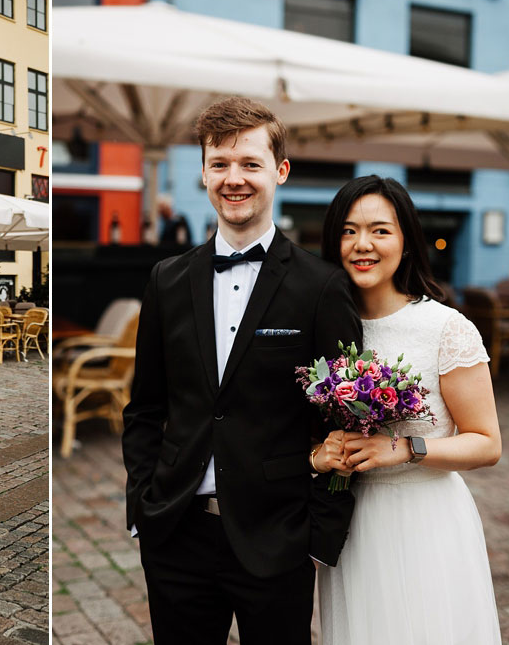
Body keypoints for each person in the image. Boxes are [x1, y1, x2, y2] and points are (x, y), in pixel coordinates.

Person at [122, 96, 362, 645]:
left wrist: (319, 537)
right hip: (176, 535)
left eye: (250, 164)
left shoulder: (322, 287)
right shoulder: (166, 278)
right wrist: (143, 509)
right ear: (203, 172)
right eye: (221, 164)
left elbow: (347, 423)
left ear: (279, 171)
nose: (235, 179)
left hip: (277, 538)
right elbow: (145, 407)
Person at [316, 175, 502, 644]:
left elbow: (487, 442)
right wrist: (324, 450)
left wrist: (405, 447)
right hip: (351, 525)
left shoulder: (444, 326)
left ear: (406, 241)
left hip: (426, 517)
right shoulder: (321, 326)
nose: (363, 244)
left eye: (381, 230)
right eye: (348, 230)